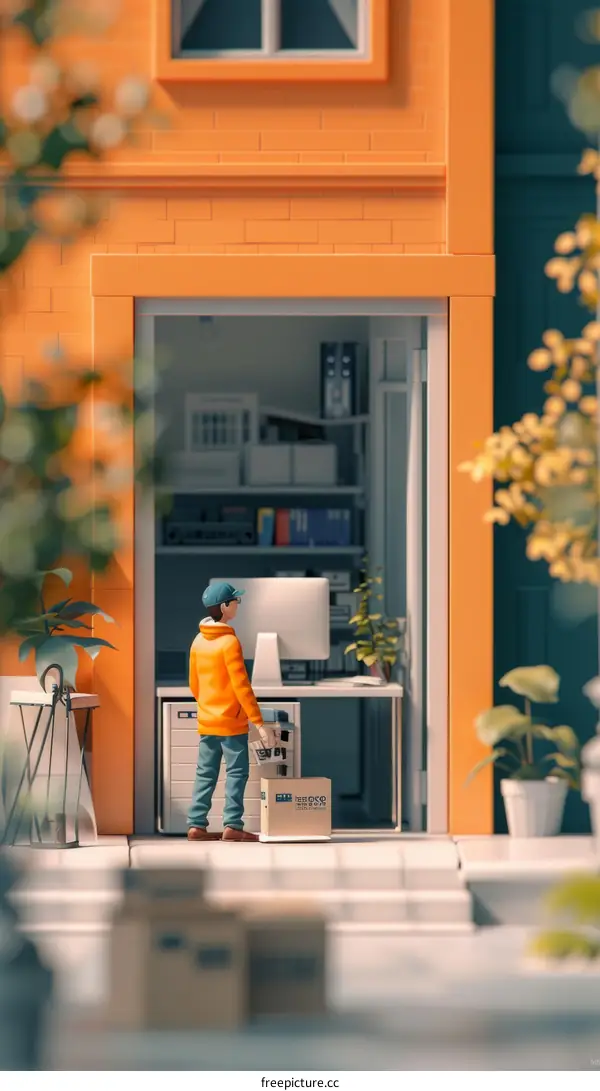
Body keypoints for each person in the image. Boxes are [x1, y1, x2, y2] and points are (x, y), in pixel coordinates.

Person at [187, 581, 276, 842]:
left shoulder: (197, 641)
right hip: (231, 724)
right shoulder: (229, 643)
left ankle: (196, 825)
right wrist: (258, 722)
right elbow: (242, 686)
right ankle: (232, 825)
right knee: (236, 773)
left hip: (207, 721)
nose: (238, 605)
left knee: (205, 773)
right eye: (236, 601)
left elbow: (194, 684)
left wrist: (209, 706)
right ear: (225, 607)